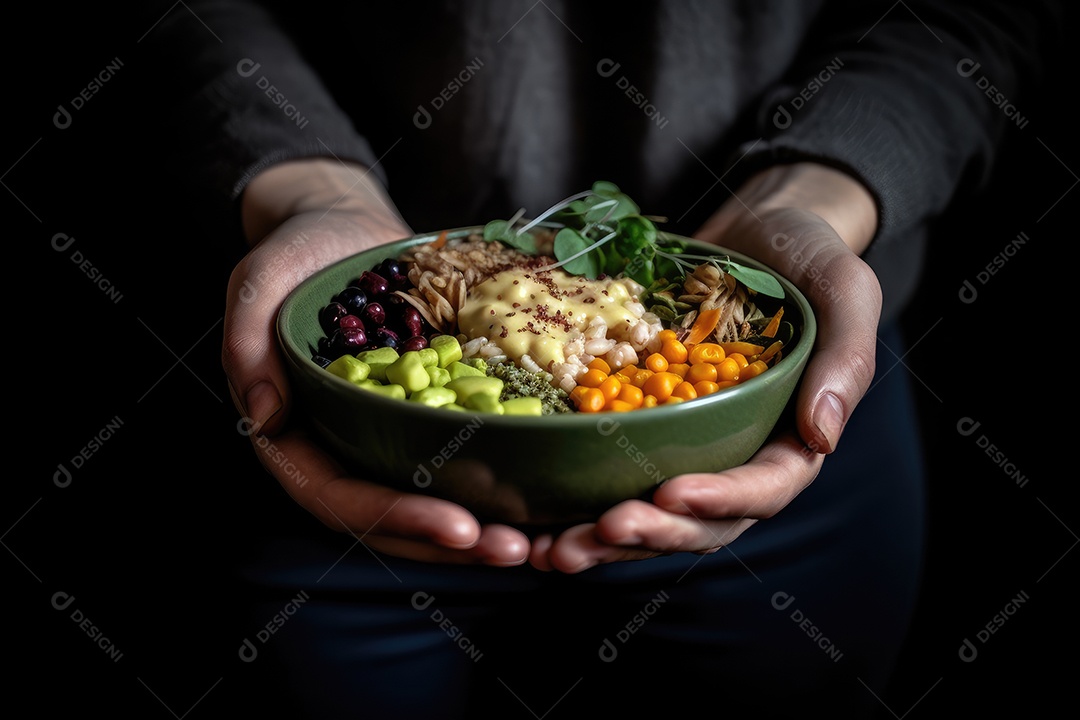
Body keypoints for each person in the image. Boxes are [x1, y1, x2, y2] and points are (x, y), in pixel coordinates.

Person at [140, 1, 1058, 716]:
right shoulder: (401, 336)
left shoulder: (691, 350)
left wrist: (814, 192)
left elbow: (970, 19)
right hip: (341, 456)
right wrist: (308, 186)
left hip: (767, 428)